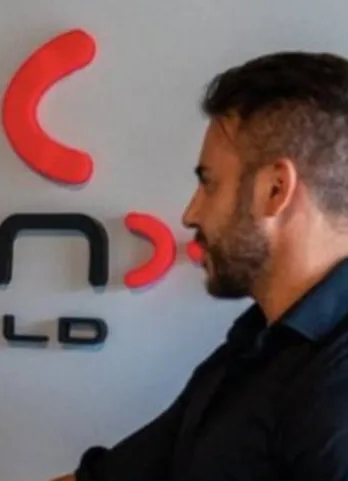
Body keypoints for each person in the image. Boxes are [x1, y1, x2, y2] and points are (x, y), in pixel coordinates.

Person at [51, 50, 348, 481]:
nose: (191, 214)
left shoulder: (334, 388)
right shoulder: (256, 342)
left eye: (209, 183)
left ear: (275, 190)